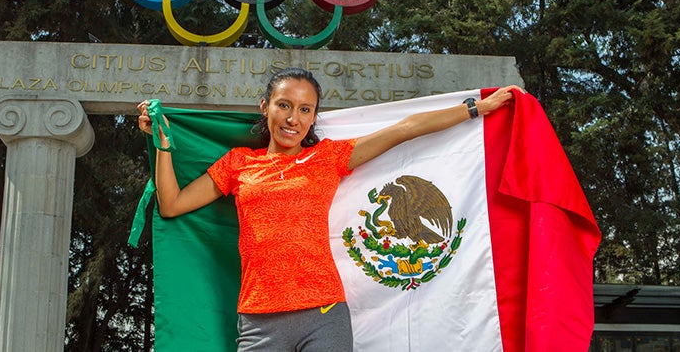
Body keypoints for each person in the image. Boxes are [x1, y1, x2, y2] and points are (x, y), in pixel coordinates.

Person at [137, 67, 524, 351]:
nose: (293, 119)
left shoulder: (328, 158)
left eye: (306, 110)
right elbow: (171, 205)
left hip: (323, 315)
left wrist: (476, 108)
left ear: (314, 117)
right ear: (265, 107)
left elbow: (406, 128)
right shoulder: (238, 163)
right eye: (284, 105)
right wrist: (163, 145)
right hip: (258, 319)